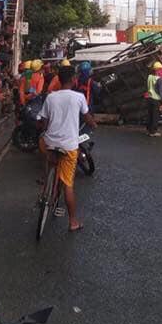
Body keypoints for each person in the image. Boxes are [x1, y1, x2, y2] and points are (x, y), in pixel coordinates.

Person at [37, 66, 97, 232]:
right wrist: (93, 124)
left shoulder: (51, 97)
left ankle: (45, 184)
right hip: (69, 146)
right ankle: (72, 222)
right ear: (73, 79)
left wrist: (44, 129)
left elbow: (43, 120)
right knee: (68, 185)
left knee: (45, 150)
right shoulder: (78, 97)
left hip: (50, 142)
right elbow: (87, 117)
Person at [145, 62, 162, 137]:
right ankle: (153, 132)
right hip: (155, 99)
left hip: (149, 98)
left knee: (150, 115)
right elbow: (161, 92)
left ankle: (148, 130)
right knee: (155, 116)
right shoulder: (159, 79)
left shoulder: (149, 77)